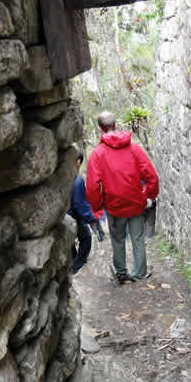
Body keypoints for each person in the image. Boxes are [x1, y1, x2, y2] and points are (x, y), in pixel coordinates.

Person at [86, 111, 159, 284]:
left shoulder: (97, 154)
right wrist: (148, 195)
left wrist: (98, 205)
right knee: (138, 239)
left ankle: (121, 273)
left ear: (99, 129)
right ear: (116, 125)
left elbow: (92, 187)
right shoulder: (134, 148)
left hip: (114, 207)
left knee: (118, 239)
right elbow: (152, 176)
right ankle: (140, 273)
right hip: (136, 204)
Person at [68, 150, 97, 274]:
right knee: (86, 238)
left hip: (63, 216)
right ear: (78, 162)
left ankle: (72, 260)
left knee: (69, 241)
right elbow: (79, 204)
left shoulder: (64, 175)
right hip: (73, 216)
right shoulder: (77, 179)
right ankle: (76, 265)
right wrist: (90, 219)